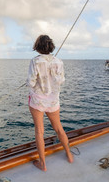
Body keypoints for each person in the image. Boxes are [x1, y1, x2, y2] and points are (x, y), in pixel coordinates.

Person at [26, 35, 74, 171]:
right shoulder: (58, 61)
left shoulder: (35, 61)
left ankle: (43, 164)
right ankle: (69, 155)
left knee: (39, 132)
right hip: (53, 101)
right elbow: (61, 80)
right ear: (50, 46)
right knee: (59, 128)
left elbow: (31, 82)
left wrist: (30, 84)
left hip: (37, 101)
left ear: (38, 46)